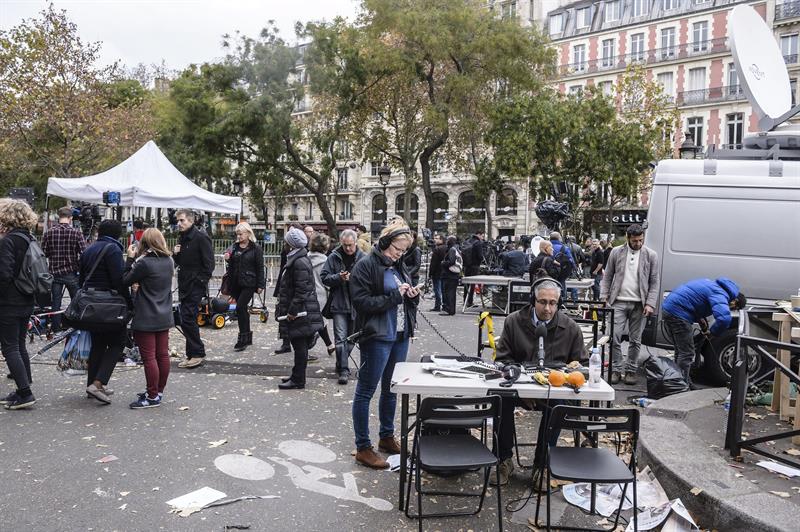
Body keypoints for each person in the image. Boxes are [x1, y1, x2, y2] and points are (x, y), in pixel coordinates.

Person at [491, 277, 587, 486]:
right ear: (533, 300)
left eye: (553, 303)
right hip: (519, 388)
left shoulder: (570, 327)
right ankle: (503, 459)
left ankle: (542, 465)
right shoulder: (514, 321)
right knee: (500, 397)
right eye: (543, 302)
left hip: (554, 391)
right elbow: (503, 360)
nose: (547, 308)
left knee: (559, 405)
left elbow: (582, 365)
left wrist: (574, 370)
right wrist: (523, 389)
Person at [349, 218, 420, 469]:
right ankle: (363, 447)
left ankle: (387, 436)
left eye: (403, 251)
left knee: (392, 388)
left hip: (400, 334)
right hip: (377, 335)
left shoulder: (398, 265)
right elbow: (361, 303)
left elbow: (403, 296)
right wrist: (394, 297)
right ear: (385, 242)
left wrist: (412, 295)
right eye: (396, 249)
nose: (399, 254)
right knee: (366, 390)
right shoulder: (366, 265)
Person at [600, 224, 659, 385]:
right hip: (617, 301)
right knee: (613, 337)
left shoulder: (651, 255)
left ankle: (631, 371)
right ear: (628, 238)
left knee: (635, 340)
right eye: (635, 241)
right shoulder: (616, 252)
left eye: (641, 240)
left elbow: (654, 282)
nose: (638, 244)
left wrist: (650, 304)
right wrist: (603, 297)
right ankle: (616, 369)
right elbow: (607, 276)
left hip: (640, 304)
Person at [123, 228, 175, 409]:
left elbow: (125, 279)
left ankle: (152, 396)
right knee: (162, 355)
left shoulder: (144, 263)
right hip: (164, 313)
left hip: (146, 314)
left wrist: (130, 258)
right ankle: (158, 391)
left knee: (149, 357)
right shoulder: (169, 260)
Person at [80, 219, 130, 404]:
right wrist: (128, 303)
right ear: (118, 234)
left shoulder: (89, 249)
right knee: (118, 342)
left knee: (98, 344)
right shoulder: (113, 249)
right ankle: (98, 383)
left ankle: (91, 384)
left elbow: (82, 278)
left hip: (92, 304)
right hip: (109, 304)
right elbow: (119, 280)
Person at [662, 278, 746, 388]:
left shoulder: (713, 286)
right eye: (734, 308)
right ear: (735, 301)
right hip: (678, 313)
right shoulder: (720, 294)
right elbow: (724, 319)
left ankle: (679, 381)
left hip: (670, 308)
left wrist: (701, 320)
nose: (731, 308)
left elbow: (695, 301)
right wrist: (713, 334)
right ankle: (682, 385)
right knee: (687, 353)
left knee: (681, 350)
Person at [0, 200, 40, 409]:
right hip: (27, 297)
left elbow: (4, 274)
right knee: (20, 343)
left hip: (9, 301)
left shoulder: (8, 241)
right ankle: (23, 386)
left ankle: (25, 392)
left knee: (10, 347)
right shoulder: (29, 238)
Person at [276, 227, 324, 390]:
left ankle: (298, 379)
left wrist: (292, 311)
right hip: (301, 309)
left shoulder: (299, 261)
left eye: (286, 241)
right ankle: (296, 375)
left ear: (291, 244)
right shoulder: (297, 258)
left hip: (301, 311)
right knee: (298, 344)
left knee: (300, 345)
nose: (284, 244)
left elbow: (301, 289)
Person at [321, 229, 365, 385]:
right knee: (340, 338)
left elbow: (370, 280)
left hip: (357, 304)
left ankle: (341, 361)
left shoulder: (363, 257)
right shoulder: (333, 257)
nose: (348, 249)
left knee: (353, 338)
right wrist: (338, 277)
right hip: (339, 303)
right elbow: (324, 277)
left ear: (356, 242)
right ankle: (344, 370)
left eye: (350, 245)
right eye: (345, 245)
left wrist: (355, 279)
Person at [173, 210, 215, 368]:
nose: (179, 224)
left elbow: (209, 264)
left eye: (182, 220)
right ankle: (192, 353)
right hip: (185, 284)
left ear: (190, 221)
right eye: (178, 221)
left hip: (194, 286)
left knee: (188, 318)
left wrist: (199, 282)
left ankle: (197, 353)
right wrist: (175, 254)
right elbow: (180, 262)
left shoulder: (201, 237)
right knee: (186, 318)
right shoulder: (182, 238)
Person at [42, 206, 86, 331]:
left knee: (56, 302)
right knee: (75, 301)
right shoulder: (76, 232)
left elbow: (44, 252)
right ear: (70, 218)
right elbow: (83, 253)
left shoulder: (49, 232)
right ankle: (75, 327)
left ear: (58, 216)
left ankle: (56, 328)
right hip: (71, 271)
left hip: (55, 272)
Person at [224, 222, 265, 352]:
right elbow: (231, 261)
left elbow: (260, 267)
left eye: (241, 233)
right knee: (243, 310)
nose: (239, 236)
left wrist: (260, 284)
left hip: (249, 282)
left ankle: (242, 339)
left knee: (240, 307)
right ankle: (248, 336)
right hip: (236, 283)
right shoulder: (234, 247)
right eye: (237, 234)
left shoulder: (255, 248)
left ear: (248, 233)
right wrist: (227, 258)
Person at [308, 232, 337, 359]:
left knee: (314, 321)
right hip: (321, 295)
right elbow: (327, 281)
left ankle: (329, 345)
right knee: (320, 321)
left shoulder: (306, 257)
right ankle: (312, 343)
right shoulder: (326, 261)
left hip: (308, 293)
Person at [439, 236, 462, 316]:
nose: (446, 241)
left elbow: (451, 261)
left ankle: (449, 309)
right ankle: (451, 309)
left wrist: (443, 263)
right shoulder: (456, 249)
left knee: (449, 293)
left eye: (448, 240)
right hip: (454, 275)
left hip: (450, 275)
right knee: (451, 293)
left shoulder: (452, 250)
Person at [462, 230, 486, 307]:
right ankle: (470, 301)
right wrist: (482, 259)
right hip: (475, 266)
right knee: (472, 284)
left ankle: (465, 300)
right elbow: (480, 256)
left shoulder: (468, 241)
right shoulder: (478, 243)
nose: (482, 238)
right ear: (478, 235)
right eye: (482, 236)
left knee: (467, 283)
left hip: (467, 265)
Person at [427, 234, 447, 312]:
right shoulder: (447, 248)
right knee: (443, 289)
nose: (435, 239)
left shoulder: (437, 249)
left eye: (437, 238)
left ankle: (437, 305)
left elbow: (433, 263)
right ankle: (444, 305)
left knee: (437, 290)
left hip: (437, 272)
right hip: (444, 272)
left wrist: (430, 273)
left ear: (441, 240)